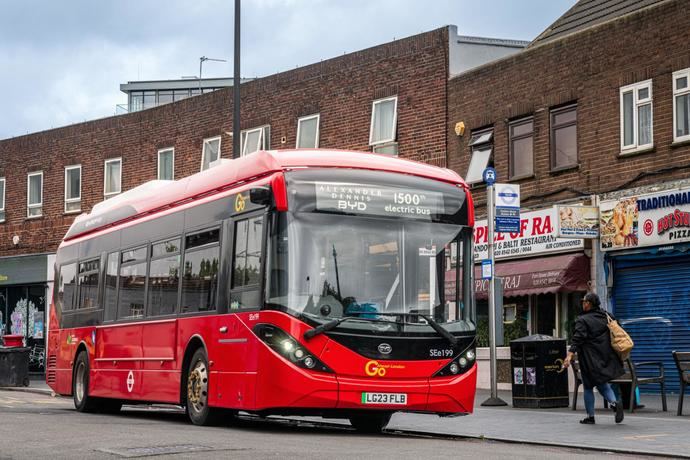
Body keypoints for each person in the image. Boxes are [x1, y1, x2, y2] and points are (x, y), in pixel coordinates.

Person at [563, 292, 625, 424]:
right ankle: (614, 403)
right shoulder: (607, 315)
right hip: (607, 357)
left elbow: (578, 338)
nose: (583, 303)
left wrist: (569, 355)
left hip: (590, 358)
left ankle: (591, 416)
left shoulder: (582, 320)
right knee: (602, 383)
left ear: (588, 304)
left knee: (588, 386)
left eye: (584, 301)